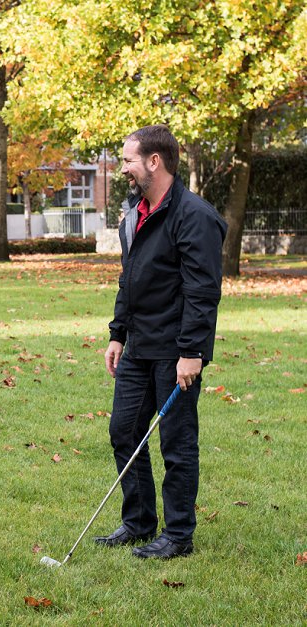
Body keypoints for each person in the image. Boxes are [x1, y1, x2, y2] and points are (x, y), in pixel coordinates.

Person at [95, 125, 226, 559]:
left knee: (176, 441)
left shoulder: (195, 216)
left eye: (129, 160)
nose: (123, 169)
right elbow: (128, 279)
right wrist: (118, 333)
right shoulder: (135, 212)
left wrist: (191, 353)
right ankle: (137, 523)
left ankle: (178, 535)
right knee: (124, 431)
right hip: (138, 347)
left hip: (176, 352)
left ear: (155, 161)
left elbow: (202, 292)